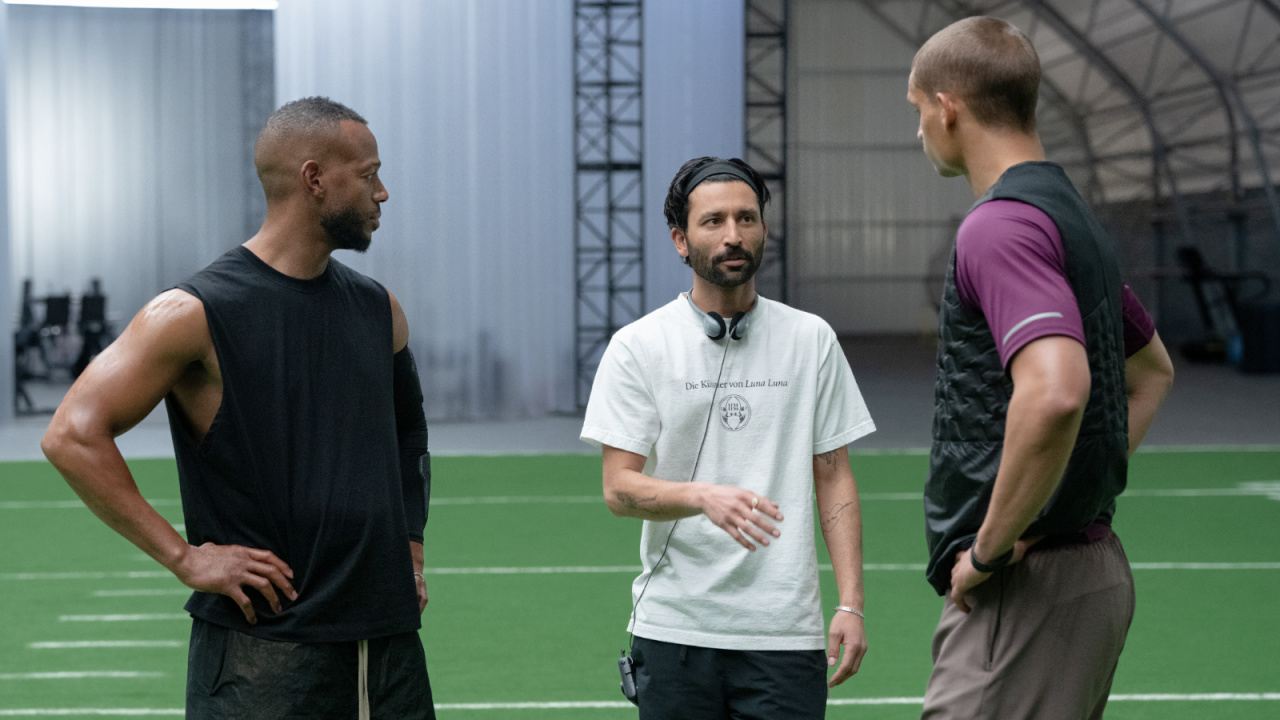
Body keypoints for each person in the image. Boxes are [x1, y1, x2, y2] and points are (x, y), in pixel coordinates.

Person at [41, 97, 435, 719]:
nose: (381, 193)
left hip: (388, 651)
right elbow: (72, 435)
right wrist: (184, 556)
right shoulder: (193, 311)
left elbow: (409, 435)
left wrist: (410, 547)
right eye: (367, 175)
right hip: (264, 659)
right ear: (313, 179)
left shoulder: (378, 310)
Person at [906, 17, 1175, 720]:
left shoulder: (999, 228)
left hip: (1025, 592)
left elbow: (1057, 393)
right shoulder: (1071, 219)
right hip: (1085, 573)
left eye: (916, 113)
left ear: (947, 107)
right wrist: (1063, 495)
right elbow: (1151, 372)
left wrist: (991, 550)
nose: (919, 134)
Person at [581, 156, 877, 718]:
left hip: (785, 636)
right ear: (680, 239)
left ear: (764, 229)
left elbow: (835, 475)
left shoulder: (811, 339)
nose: (733, 235)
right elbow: (618, 490)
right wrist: (700, 495)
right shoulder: (638, 347)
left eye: (746, 218)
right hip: (675, 632)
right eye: (713, 221)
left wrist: (852, 605)